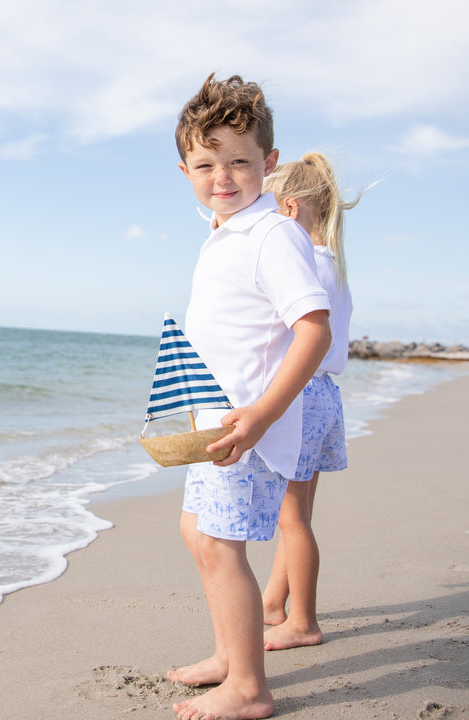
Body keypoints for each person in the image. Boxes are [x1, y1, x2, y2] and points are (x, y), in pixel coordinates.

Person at [166, 74, 332, 720]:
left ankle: (250, 688)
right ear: (185, 170)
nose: (223, 176)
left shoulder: (271, 235)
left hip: (248, 427)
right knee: (197, 532)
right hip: (216, 422)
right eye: (206, 164)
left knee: (219, 542)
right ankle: (230, 658)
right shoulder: (227, 231)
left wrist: (262, 414)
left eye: (239, 161)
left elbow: (312, 330)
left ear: (270, 163)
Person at [260, 154, 360, 652]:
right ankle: (275, 604)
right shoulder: (333, 264)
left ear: (290, 210)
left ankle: (302, 620)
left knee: (291, 517)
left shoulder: (302, 264)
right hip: (325, 397)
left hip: (301, 395)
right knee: (295, 512)